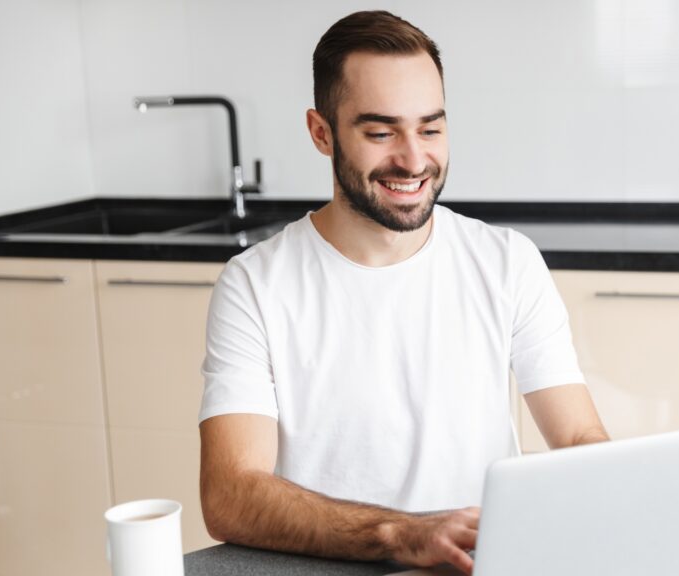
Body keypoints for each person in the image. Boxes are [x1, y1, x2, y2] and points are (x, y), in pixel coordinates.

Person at [198, 10, 608, 575]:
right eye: (380, 131)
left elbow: (579, 433)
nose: (414, 160)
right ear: (322, 133)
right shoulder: (255, 285)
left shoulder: (506, 261)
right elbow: (231, 495)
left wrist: (613, 490)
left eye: (430, 128)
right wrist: (400, 534)